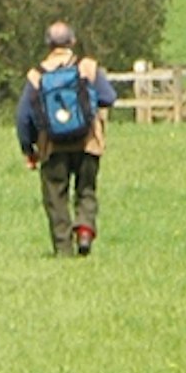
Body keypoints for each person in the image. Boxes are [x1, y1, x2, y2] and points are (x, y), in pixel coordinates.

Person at [16, 22, 114, 258]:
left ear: (48, 45)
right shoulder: (87, 67)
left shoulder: (36, 75)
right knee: (86, 190)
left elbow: (23, 117)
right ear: (72, 41)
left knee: (55, 196)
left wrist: (28, 149)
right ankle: (84, 231)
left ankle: (63, 248)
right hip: (87, 143)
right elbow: (109, 97)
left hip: (52, 146)